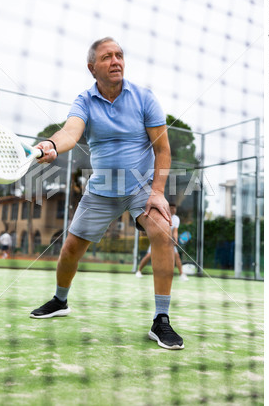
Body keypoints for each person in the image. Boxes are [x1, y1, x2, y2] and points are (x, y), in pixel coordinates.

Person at [30, 37, 184, 350]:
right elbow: (70, 132)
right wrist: (50, 144)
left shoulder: (144, 97)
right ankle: (60, 301)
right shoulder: (84, 100)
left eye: (119, 55)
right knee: (71, 248)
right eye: (107, 57)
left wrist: (157, 192)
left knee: (162, 231)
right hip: (100, 189)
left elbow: (163, 149)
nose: (115, 61)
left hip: (141, 187)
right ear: (92, 68)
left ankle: (162, 319)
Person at [136, 204, 189, 281]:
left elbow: (175, 231)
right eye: (171, 208)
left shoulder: (176, 218)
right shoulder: (162, 216)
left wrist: (175, 239)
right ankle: (139, 271)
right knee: (149, 255)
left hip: (169, 241)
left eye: (174, 208)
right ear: (168, 208)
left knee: (176, 256)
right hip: (157, 239)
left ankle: (181, 274)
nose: (173, 210)